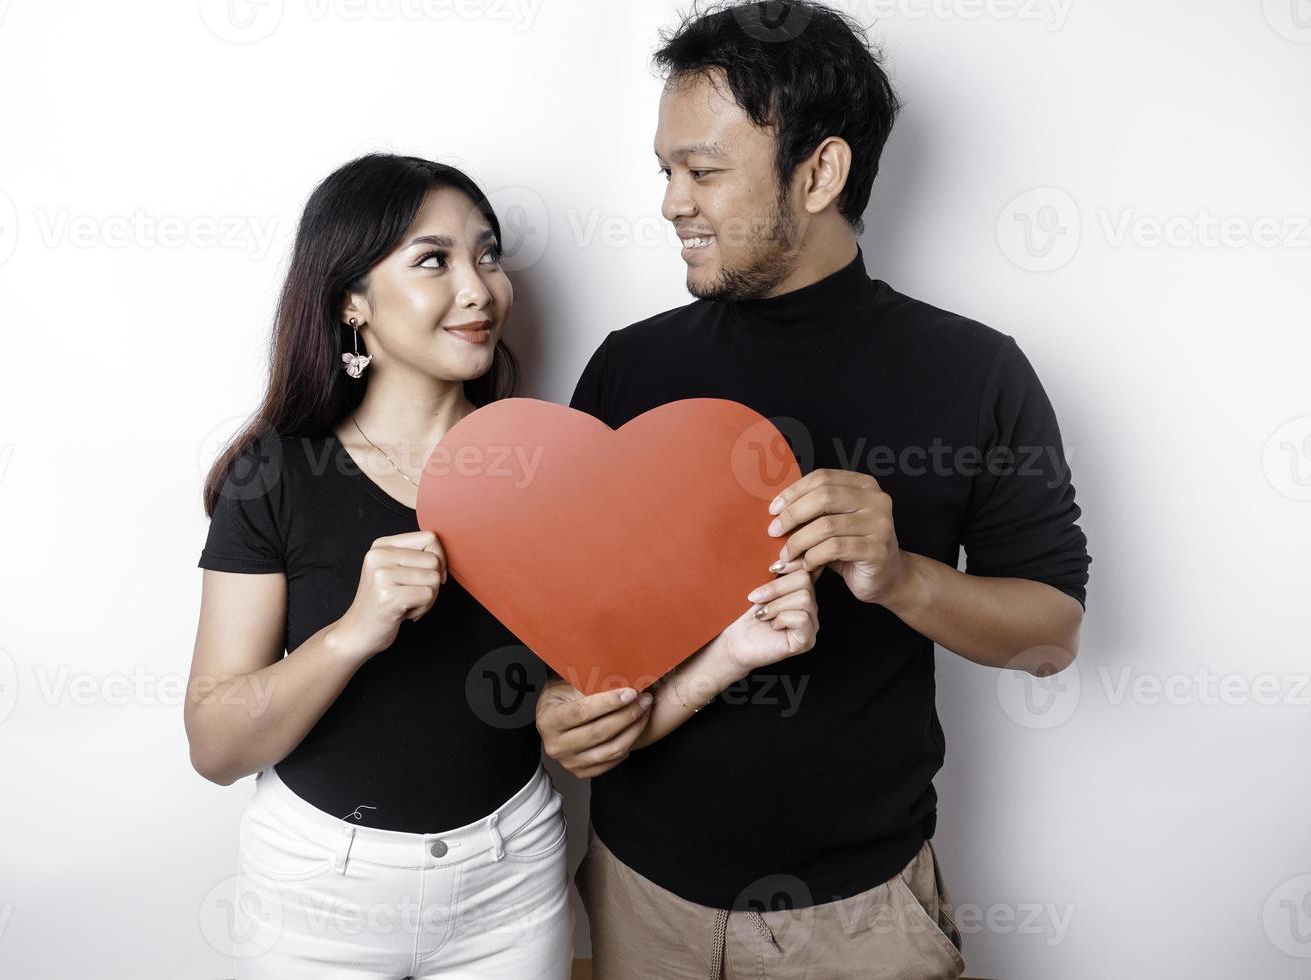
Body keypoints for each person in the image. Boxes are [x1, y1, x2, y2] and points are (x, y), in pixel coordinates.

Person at [536, 4, 1092, 978]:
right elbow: (565, 630)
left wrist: (897, 574)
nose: (672, 202)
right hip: (635, 891)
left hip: (861, 917)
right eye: (664, 171)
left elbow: (1051, 634)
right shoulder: (628, 368)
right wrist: (554, 704)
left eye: (703, 171)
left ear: (820, 172)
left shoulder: (977, 373)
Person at [185, 152, 819, 978]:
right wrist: (353, 632)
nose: (479, 288)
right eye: (432, 260)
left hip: (510, 880)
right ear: (351, 298)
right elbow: (216, 744)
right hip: (319, 888)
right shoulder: (274, 475)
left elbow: (593, 725)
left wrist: (735, 650)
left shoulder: (549, 474)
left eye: (487, 254)